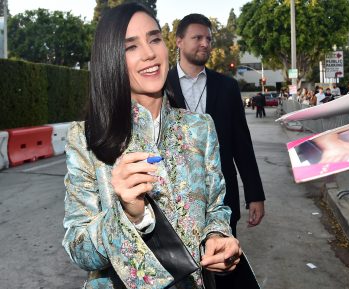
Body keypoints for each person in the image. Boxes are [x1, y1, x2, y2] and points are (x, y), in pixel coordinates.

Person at [62, 4, 241, 288]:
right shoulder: (85, 138)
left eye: (155, 38)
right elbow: (78, 249)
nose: (149, 53)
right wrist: (126, 214)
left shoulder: (200, 128)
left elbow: (217, 208)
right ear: (111, 59)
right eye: (130, 47)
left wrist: (218, 237)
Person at [167, 13, 265, 238]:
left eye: (209, 39)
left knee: (223, 267)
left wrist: (254, 195)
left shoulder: (227, 87)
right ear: (179, 41)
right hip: (172, 202)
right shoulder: (161, 86)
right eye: (197, 37)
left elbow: (242, 144)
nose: (205, 44)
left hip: (222, 200)